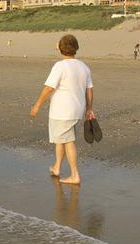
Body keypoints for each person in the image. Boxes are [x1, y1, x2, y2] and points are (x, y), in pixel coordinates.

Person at [30, 34, 95, 185]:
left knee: (68, 141)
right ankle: (57, 167)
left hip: (62, 111)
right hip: (76, 110)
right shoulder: (83, 66)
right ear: (76, 48)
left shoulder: (60, 66)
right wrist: (89, 107)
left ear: (60, 49)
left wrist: (37, 105)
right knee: (61, 139)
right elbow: (89, 90)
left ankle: (75, 175)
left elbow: (49, 88)